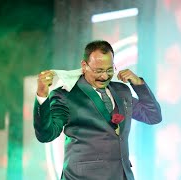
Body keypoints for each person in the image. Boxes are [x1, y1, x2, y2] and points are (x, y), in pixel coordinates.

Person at [33, 40, 162, 180]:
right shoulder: (66, 95)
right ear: (84, 66)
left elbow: (152, 116)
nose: (104, 76)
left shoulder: (122, 91)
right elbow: (46, 134)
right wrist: (42, 95)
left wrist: (139, 84)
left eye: (109, 70)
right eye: (98, 70)